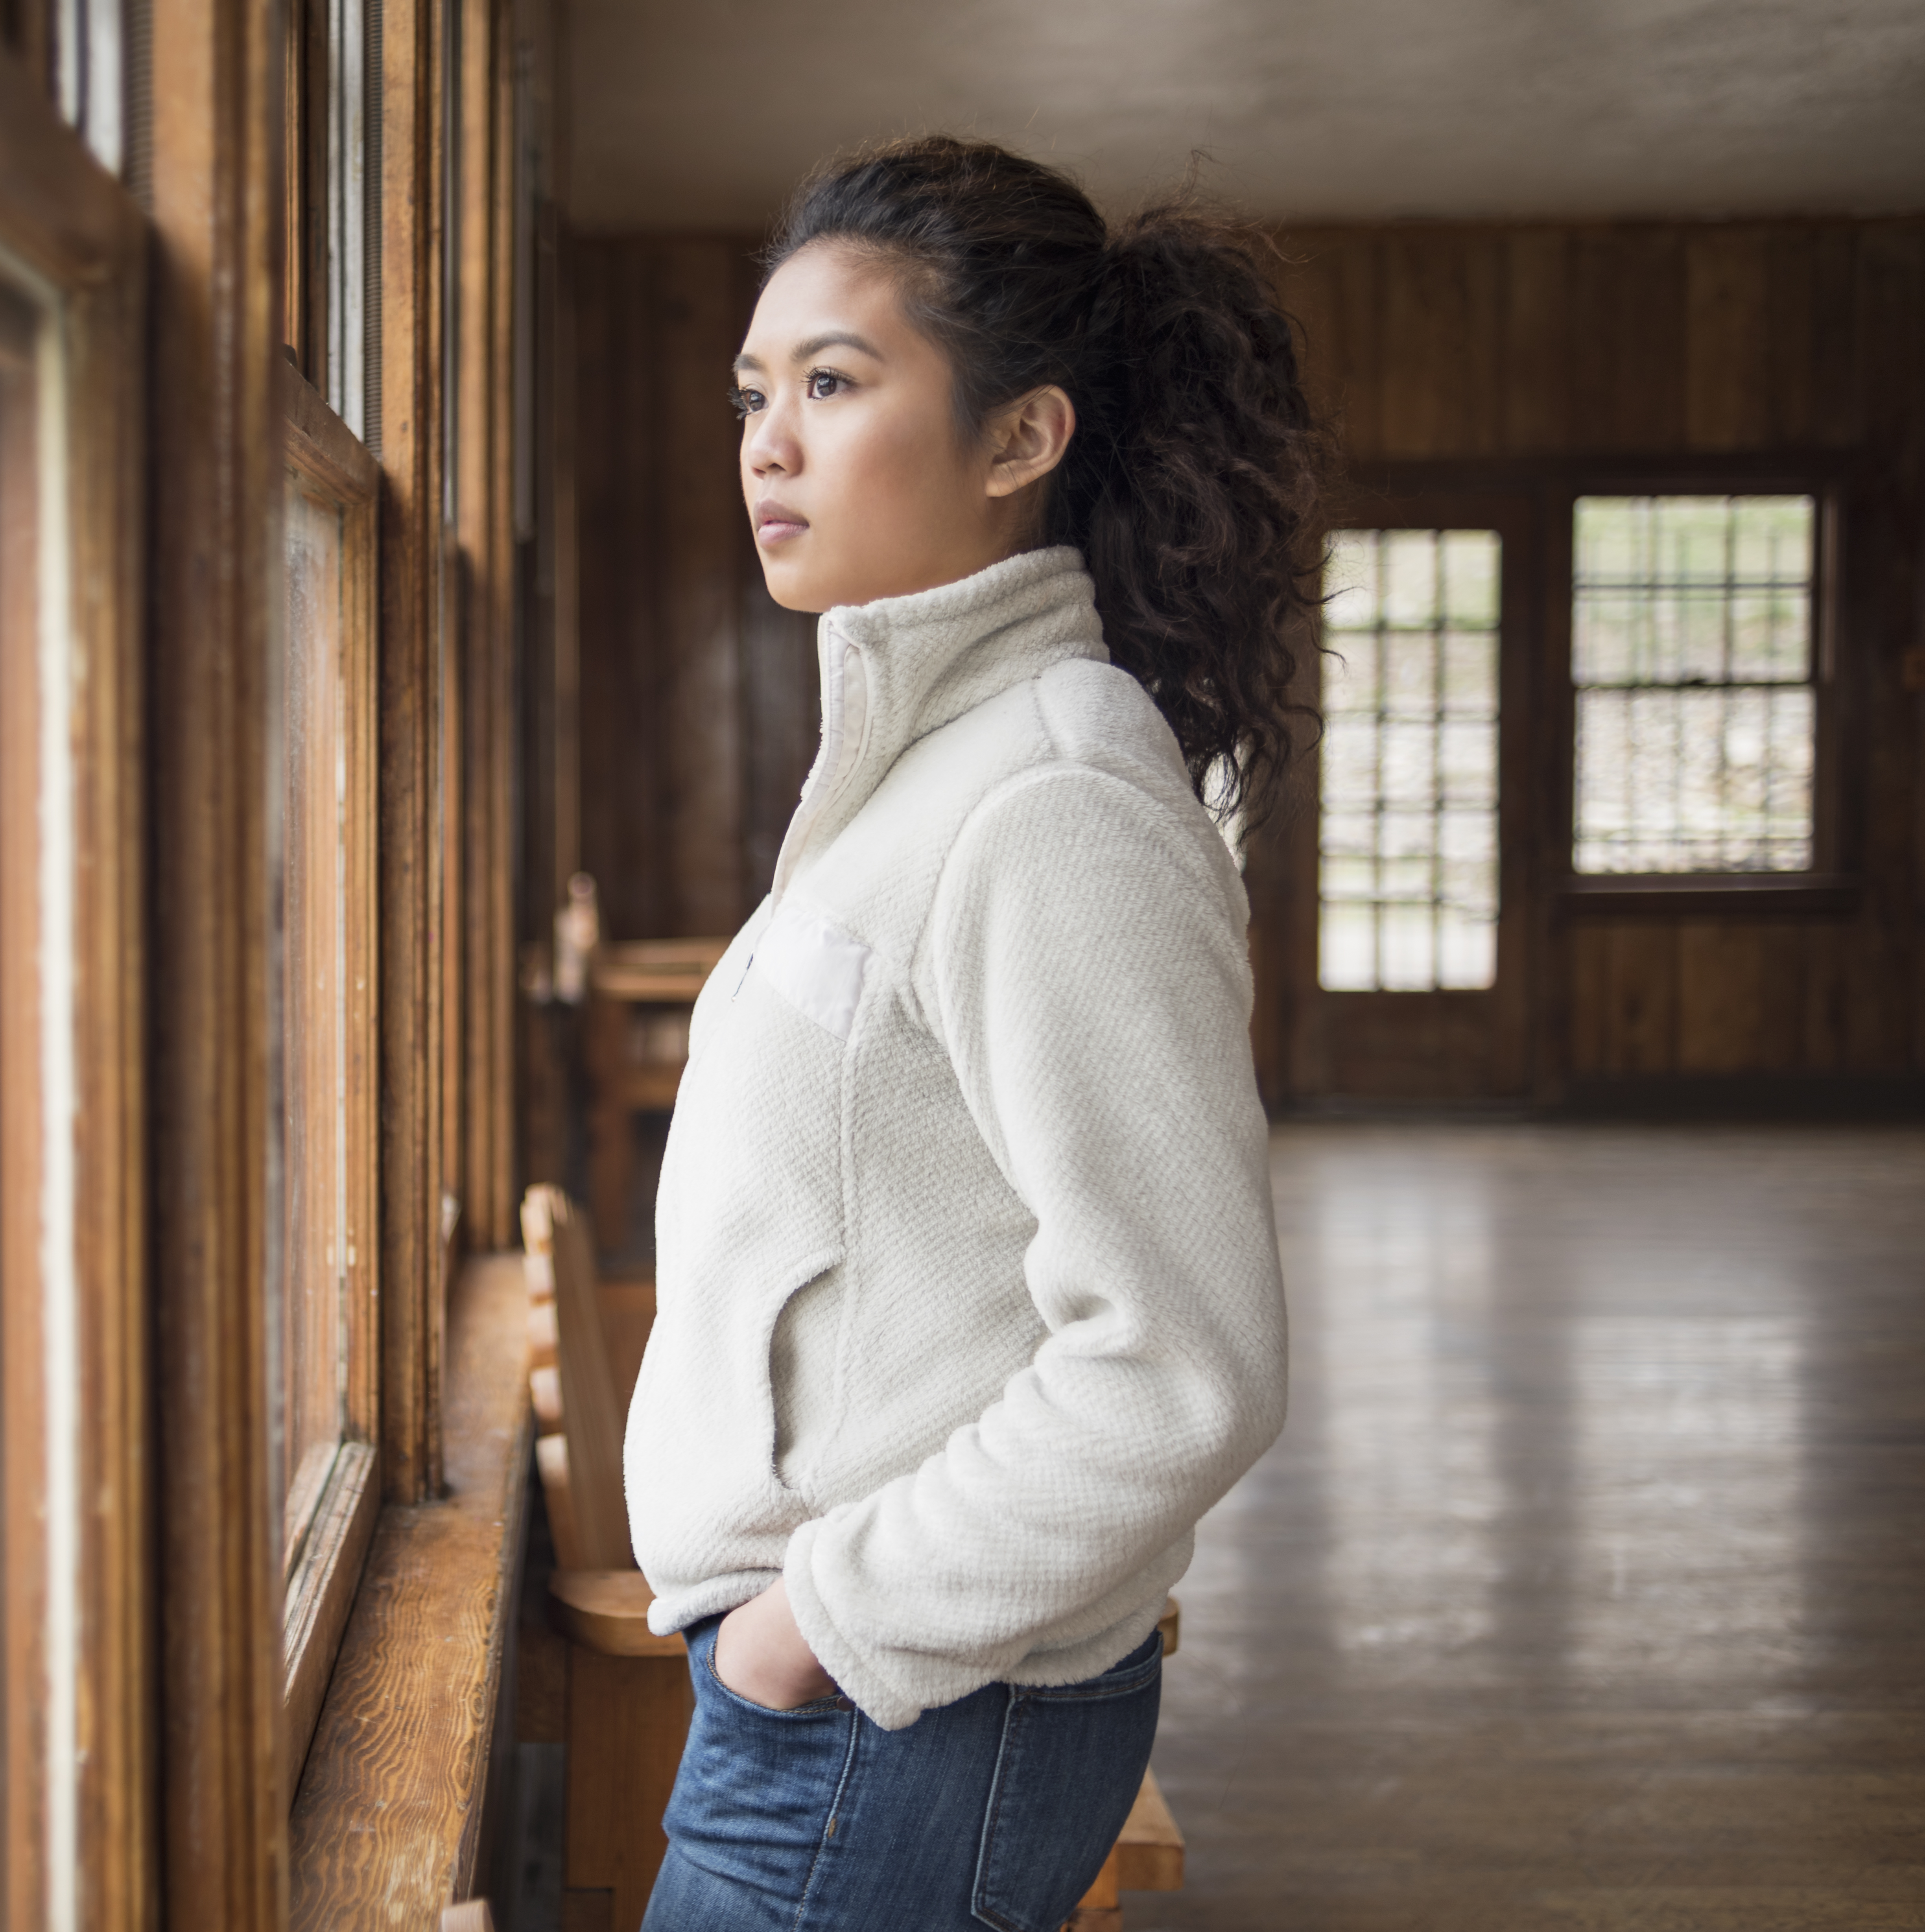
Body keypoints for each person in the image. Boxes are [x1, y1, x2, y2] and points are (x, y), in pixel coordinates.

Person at [622, 135, 1321, 1930]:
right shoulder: (918, 768)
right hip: (850, 1700)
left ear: (1020, 439)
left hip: (902, 1711)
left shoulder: (1050, 794)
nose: (768, 441)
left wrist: (812, 1630)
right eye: (751, 393)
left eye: (835, 383)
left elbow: (1184, 1358)